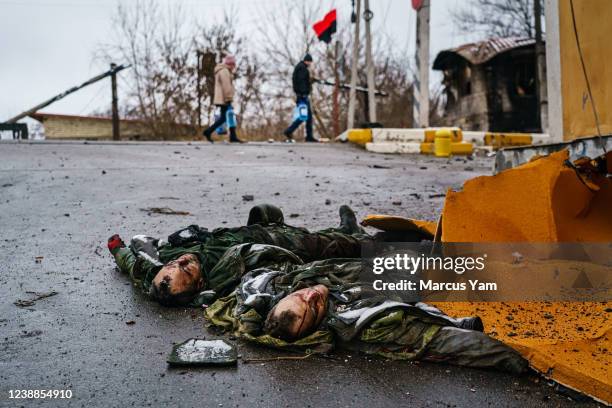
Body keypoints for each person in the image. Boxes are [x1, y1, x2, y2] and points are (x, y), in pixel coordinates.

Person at [205, 249, 528, 374]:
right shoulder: (362, 324)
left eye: (301, 295)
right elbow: (445, 343)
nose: (313, 294)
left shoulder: (274, 289)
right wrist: (522, 362)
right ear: (318, 326)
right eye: (313, 306)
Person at [107, 204, 369, 306]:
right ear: (199, 283)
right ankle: (360, 237)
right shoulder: (226, 277)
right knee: (330, 245)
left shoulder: (156, 271)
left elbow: (134, 264)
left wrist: (117, 248)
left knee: (276, 218)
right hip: (280, 244)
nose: (183, 260)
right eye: (185, 269)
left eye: (174, 263)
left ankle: (345, 230)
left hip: (249, 230)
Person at [203, 55, 243, 143]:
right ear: (230, 64)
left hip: (222, 98)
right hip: (224, 98)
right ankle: (208, 131)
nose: (234, 67)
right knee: (224, 118)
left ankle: (233, 136)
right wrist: (228, 98)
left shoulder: (223, 70)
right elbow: (226, 86)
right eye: (233, 65)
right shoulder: (224, 71)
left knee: (229, 116)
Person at [284, 54, 317, 143]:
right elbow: (301, 82)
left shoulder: (300, 67)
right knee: (304, 116)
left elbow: (301, 80)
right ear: (307, 61)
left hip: (301, 95)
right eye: (310, 62)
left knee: (307, 116)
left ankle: (309, 136)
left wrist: (309, 81)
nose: (310, 64)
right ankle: (289, 131)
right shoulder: (302, 68)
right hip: (302, 96)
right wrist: (303, 93)